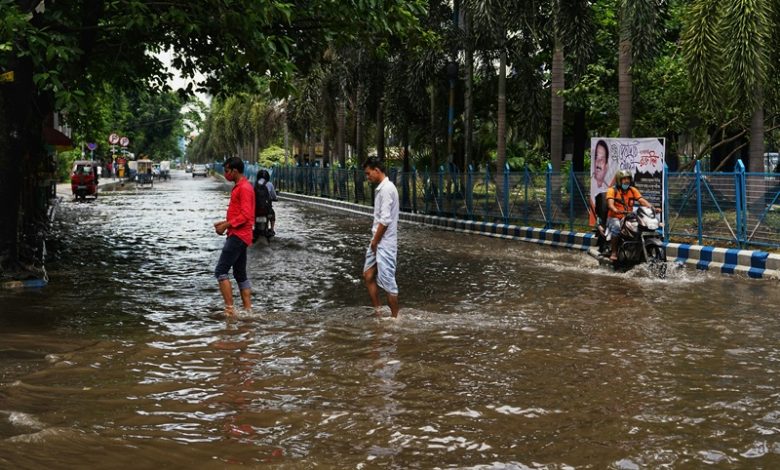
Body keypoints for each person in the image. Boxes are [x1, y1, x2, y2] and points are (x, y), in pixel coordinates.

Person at [214, 157, 255, 315]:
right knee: (239, 273)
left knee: (221, 271)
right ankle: (248, 310)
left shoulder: (244, 188)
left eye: (226, 171)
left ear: (235, 171)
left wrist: (225, 225)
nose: (225, 174)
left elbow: (245, 215)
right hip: (240, 234)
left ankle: (230, 310)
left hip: (238, 235)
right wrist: (225, 222)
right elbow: (240, 214)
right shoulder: (240, 186)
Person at [362, 157, 400, 318]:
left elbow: (385, 221)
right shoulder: (382, 188)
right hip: (376, 241)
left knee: (388, 283)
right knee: (368, 274)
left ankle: (395, 318)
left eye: (368, 173)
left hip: (384, 243)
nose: (367, 177)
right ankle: (378, 311)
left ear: (377, 170)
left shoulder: (387, 189)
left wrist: (375, 242)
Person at [605, 169, 657, 262]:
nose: (627, 181)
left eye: (628, 178)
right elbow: (610, 204)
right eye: (624, 179)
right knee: (616, 228)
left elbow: (641, 200)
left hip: (628, 217)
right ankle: (614, 252)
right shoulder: (612, 190)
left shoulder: (633, 190)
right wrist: (615, 209)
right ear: (619, 180)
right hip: (614, 217)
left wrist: (651, 207)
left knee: (641, 227)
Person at [254, 169, 278, 238]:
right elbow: (274, 196)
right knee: (273, 215)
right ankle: (272, 229)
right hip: (267, 210)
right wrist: (275, 199)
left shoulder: (255, 184)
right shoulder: (270, 184)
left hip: (256, 210)